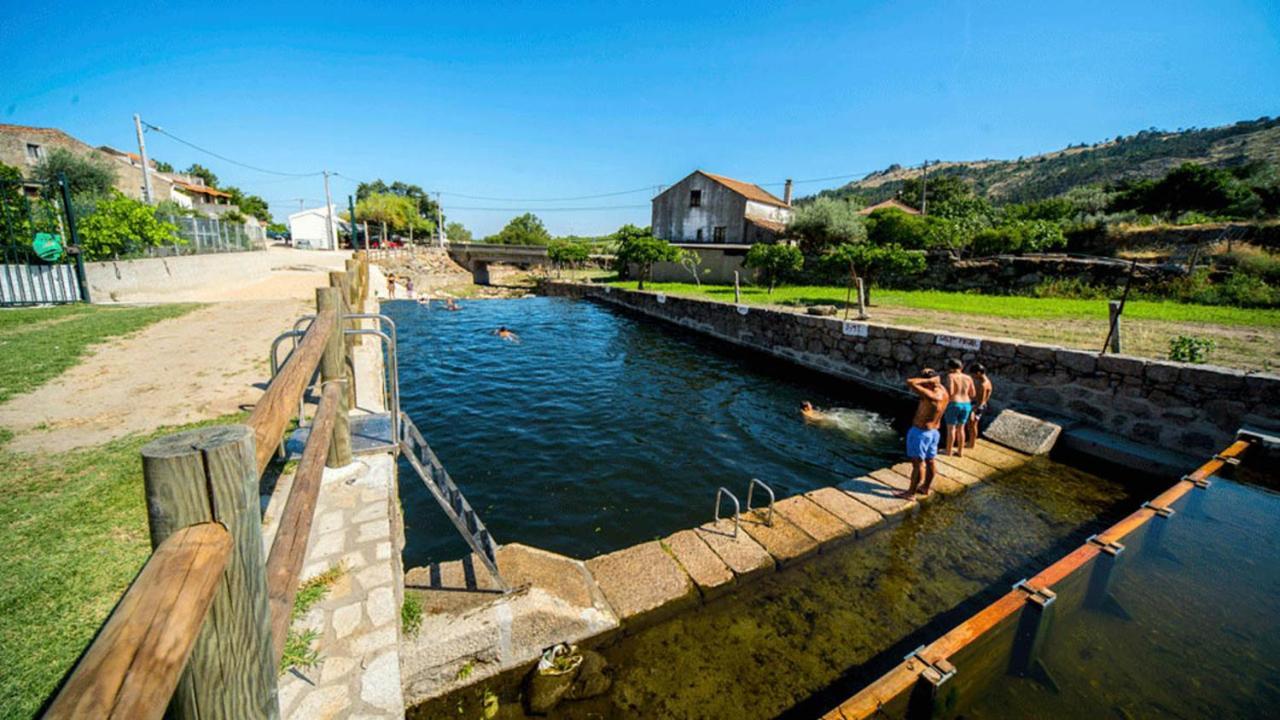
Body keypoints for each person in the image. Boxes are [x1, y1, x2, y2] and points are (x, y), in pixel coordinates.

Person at [904, 368, 949, 497]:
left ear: (929, 382)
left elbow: (910, 382)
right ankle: (925, 488)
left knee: (917, 465)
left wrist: (927, 379)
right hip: (934, 432)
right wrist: (934, 379)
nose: (922, 385)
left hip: (921, 433)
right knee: (930, 461)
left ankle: (910, 493)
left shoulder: (930, 395)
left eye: (924, 382)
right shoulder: (943, 392)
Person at [942, 358, 976, 457]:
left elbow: (951, 392)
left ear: (950, 368)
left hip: (954, 404)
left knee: (951, 429)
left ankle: (948, 451)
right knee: (961, 429)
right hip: (966, 404)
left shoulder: (951, 376)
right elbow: (972, 394)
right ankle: (960, 452)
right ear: (961, 367)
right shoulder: (968, 377)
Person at [966, 364, 993, 449]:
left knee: (972, 425)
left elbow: (981, 400)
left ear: (978, 373)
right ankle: (971, 442)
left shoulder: (983, 384)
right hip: (980, 405)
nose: (972, 376)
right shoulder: (987, 381)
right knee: (972, 425)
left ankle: (971, 443)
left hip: (978, 406)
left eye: (973, 374)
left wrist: (974, 410)